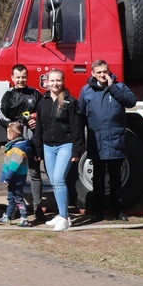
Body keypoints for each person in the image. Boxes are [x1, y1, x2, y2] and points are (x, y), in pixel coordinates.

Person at [79, 60, 137, 222]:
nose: (102, 75)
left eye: (105, 71)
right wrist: (80, 140)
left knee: (116, 179)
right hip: (96, 142)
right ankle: (97, 212)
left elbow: (131, 102)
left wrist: (113, 87)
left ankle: (118, 212)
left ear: (109, 71)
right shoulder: (86, 91)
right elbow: (81, 116)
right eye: (99, 72)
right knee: (97, 179)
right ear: (93, 73)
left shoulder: (119, 87)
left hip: (115, 140)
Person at [33, 69, 83, 232]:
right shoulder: (43, 102)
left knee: (59, 179)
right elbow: (39, 127)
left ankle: (65, 216)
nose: (55, 84)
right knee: (54, 181)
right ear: (46, 82)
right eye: (52, 81)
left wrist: (76, 150)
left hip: (65, 145)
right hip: (48, 147)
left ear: (63, 81)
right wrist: (38, 150)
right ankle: (61, 215)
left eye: (58, 81)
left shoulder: (70, 101)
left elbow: (77, 127)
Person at [0, 65, 45, 220]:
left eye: (23, 76)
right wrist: (12, 126)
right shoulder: (8, 95)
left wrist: (37, 121)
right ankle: (16, 207)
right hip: (15, 142)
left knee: (35, 173)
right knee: (15, 175)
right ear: (12, 78)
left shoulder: (36, 93)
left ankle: (37, 208)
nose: (21, 80)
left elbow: (44, 113)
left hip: (32, 140)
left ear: (27, 77)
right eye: (18, 77)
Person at [0, 122, 33, 227]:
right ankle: (7, 216)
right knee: (11, 198)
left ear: (12, 135)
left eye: (7, 133)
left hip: (16, 179)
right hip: (13, 178)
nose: (7, 136)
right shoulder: (15, 147)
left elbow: (13, 166)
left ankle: (24, 218)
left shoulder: (17, 149)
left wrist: (7, 178)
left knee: (18, 198)